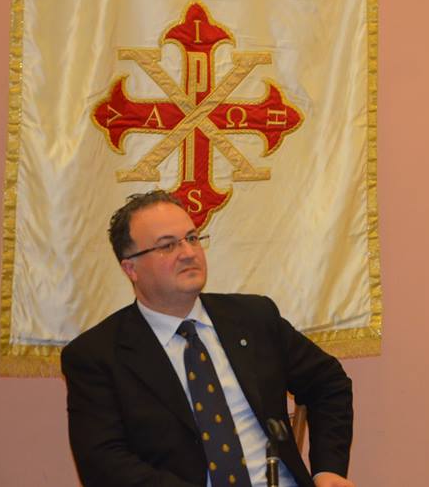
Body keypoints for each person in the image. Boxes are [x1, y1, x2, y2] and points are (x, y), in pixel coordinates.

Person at [61, 190, 355, 487]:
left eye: (192, 238)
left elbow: (328, 382)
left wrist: (328, 470)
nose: (189, 253)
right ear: (130, 268)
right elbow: (103, 464)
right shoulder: (97, 355)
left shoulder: (253, 318)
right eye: (168, 245)